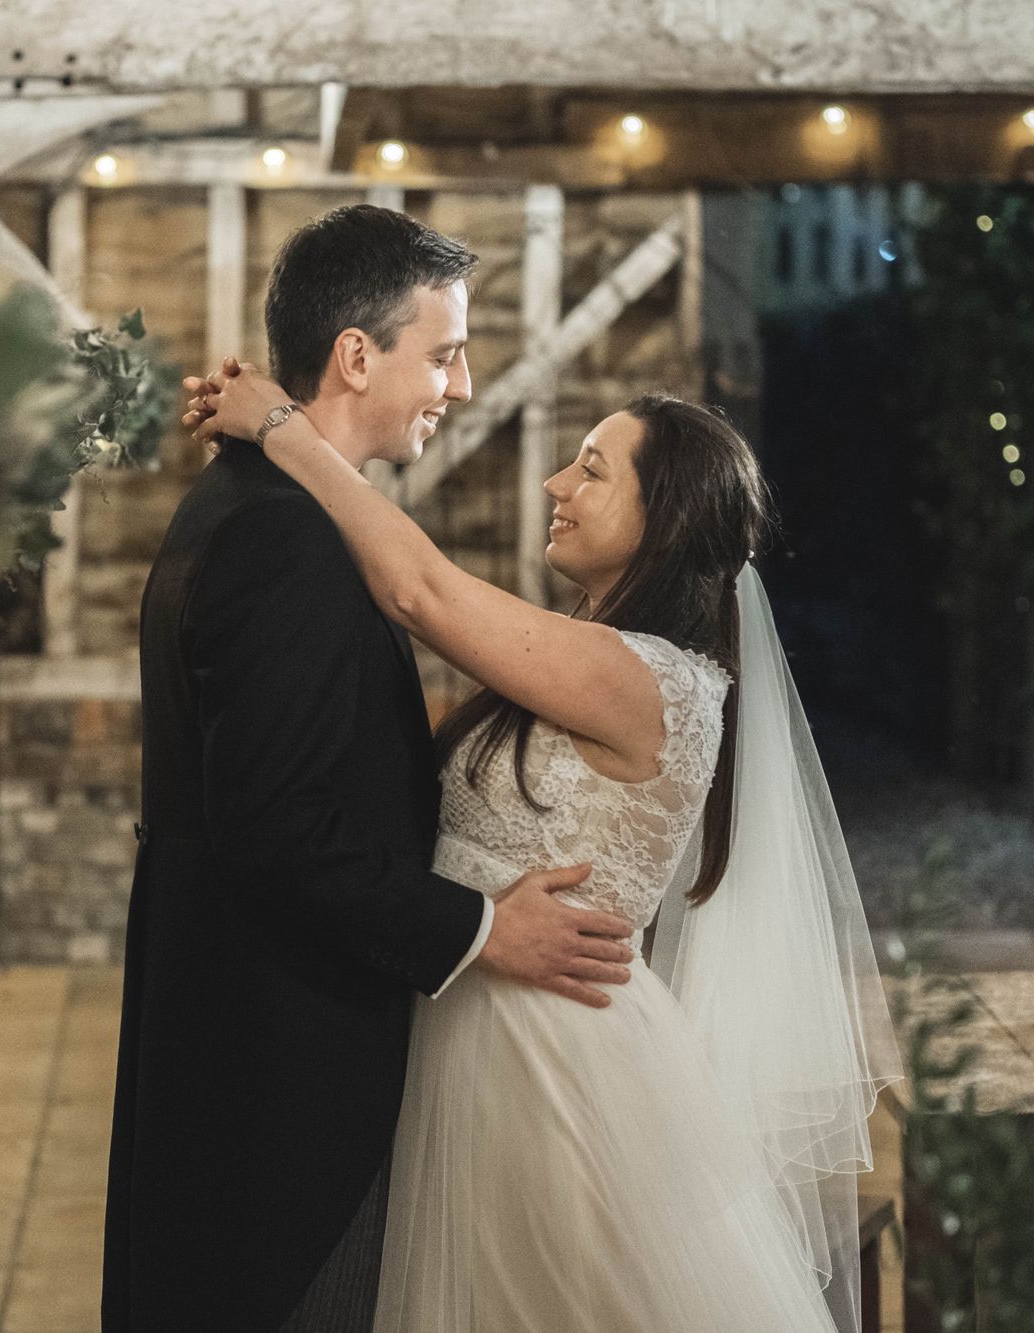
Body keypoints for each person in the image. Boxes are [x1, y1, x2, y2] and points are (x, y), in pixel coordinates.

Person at [187, 353, 901, 1331]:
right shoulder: (583, 656)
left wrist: (286, 434)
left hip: (553, 1055)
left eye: (592, 469)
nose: (555, 485)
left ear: (668, 514)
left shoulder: (650, 678)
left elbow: (421, 593)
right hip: (480, 1025)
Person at [101, 205, 639, 1333]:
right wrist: (484, 931)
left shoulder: (263, 505)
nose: (461, 381)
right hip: (278, 1067)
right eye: (441, 352)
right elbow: (279, 832)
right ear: (357, 353)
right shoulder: (282, 539)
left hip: (247, 1026)